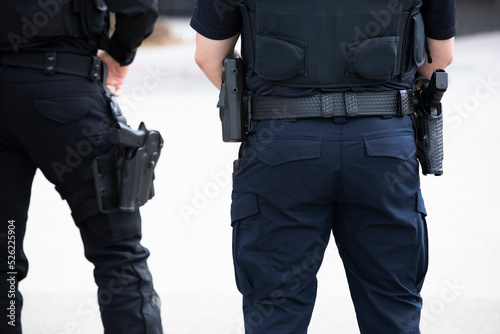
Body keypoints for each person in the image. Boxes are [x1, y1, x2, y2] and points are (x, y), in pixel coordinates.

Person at [191, 0, 455, 333]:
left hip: (281, 144)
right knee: (392, 307)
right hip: (381, 149)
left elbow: (208, 56)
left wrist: (271, 103)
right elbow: (440, 58)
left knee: (275, 311)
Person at [0, 1, 163, 333]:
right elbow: (139, 7)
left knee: (4, 254)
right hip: (66, 93)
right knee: (118, 251)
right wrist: (119, 54)